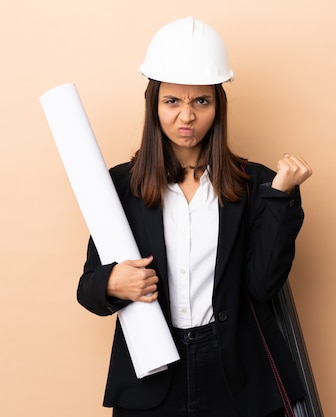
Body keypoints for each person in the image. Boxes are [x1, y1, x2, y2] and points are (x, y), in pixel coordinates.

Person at [77, 16, 312, 417]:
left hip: (235, 372)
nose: (186, 117)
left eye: (200, 101)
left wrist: (280, 198)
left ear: (218, 106)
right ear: (153, 104)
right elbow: (89, 289)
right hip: (152, 376)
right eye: (172, 101)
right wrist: (112, 282)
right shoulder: (119, 185)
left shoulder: (257, 185)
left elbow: (262, 285)